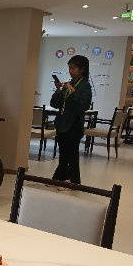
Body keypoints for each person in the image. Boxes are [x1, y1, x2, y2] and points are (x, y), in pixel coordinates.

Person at [50, 55, 92, 185]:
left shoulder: (85, 86)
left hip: (74, 126)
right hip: (62, 124)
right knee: (63, 154)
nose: (70, 71)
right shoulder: (69, 84)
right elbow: (54, 104)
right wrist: (58, 90)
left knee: (72, 155)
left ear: (82, 69)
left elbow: (83, 106)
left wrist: (73, 93)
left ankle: (70, 181)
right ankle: (63, 179)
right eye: (69, 68)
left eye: (73, 68)